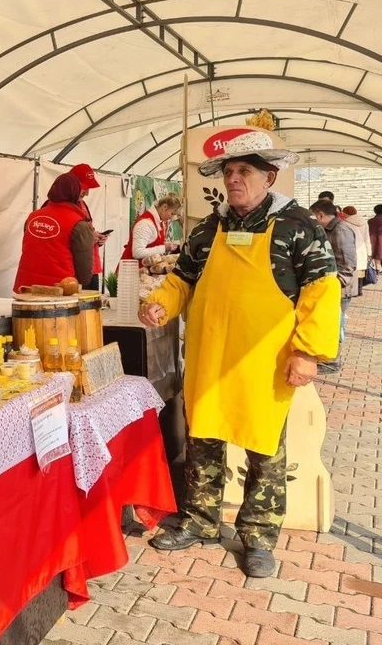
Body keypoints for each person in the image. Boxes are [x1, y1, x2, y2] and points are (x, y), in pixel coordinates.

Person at [138, 131, 340, 578]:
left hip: (265, 365)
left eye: (243, 171)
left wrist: (308, 353)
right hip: (210, 358)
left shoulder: (298, 227)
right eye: (228, 172)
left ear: (269, 176)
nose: (233, 179)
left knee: (264, 452)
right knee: (202, 441)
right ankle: (199, 521)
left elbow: (322, 292)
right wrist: (161, 304)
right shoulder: (209, 228)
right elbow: (182, 280)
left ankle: (258, 538)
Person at [13, 173, 95, 292]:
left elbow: (29, 249)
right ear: (74, 192)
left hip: (25, 288)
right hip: (59, 290)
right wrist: (81, 282)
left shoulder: (33, 217)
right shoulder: (78, 223)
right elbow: (84, 267)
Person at [310, 200, 356, 373]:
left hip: (339, 288)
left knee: (335, 324)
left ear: (320, 215)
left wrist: (334, 285)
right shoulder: (328, 230)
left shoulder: (340, 231)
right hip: (329, 286)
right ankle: (327, 358)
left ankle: (332, 361)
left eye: (314, 217)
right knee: (328, 322)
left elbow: (347, 265)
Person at [69, 164, 108, 291]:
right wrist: (91, 237)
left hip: (91, 267)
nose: (87, 192)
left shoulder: (83, 205)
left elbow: (85, 233)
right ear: (72, 184)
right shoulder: (65, 207)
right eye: (84, 187)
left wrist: (97, 238)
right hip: (75, 271)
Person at [121, 193, 183, 263]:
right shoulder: (145, 224)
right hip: (130, 268)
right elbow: (137, 252)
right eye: (172, 214)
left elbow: (151, 243)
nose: (171, 218)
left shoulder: (160, 221)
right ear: (164, 207)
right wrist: (164, 248)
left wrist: (165, 245)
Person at [341, 206, 371, 295]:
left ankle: (353, 290)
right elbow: (367, 237)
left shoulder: (345, 223)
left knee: (352, 270)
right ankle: (360, 290)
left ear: (346, 213)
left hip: (351, 247)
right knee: (361, 270)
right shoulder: (364, 222)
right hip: (362, 248)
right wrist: (369, 251)